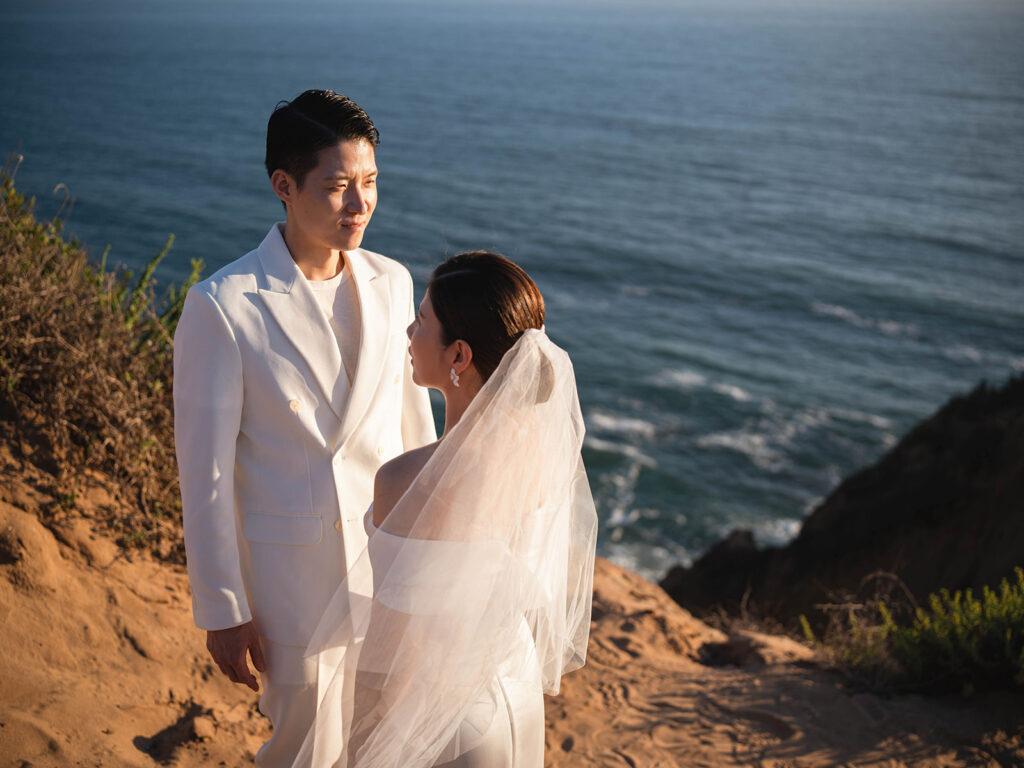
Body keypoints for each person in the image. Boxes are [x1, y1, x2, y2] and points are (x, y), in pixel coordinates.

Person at [173, 89, 436, 767]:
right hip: (290, 586)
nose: (360, 204)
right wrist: (223, 608)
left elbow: (412, 435)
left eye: (371, 182)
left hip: (384, 575)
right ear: (283, 186)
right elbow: (202, 474)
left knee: (381, 743)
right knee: (303, 751)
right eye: (338, 186)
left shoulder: (393, 282)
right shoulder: (223, 306)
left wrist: (426, 569)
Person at [294, 252, 598, 768]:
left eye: (421, 321)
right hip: (511, 690)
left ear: (459, 356)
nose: (408, 333)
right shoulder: (537, 448)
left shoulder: (408, 482)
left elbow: (395, 653)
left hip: (441, 721)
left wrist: (366, 748)